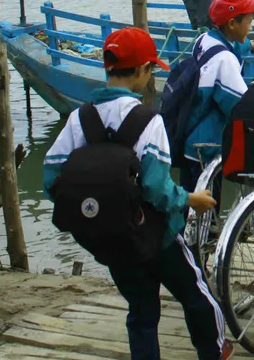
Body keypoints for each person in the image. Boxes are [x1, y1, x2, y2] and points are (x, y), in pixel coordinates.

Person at [43, 27, 231, 360]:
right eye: (151, 70)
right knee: (196, 297)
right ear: (143, 70)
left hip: (111, 237)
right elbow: (157, 189)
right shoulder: (149, 120)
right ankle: (213, 352)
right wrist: (190, 199)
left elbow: (51, 178)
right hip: (158, 236)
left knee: (142, 312)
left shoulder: (77, 119)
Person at [181, 0, 254, 195]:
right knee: (205, 213)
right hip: (207, 147)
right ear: (232, 23)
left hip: (190, 139)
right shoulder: (225, 61)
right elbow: (240, 107)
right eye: (249, 21)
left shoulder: (205, 39)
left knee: (193, 210)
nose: (252, 25)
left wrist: (251, 45)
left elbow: (230, 46)